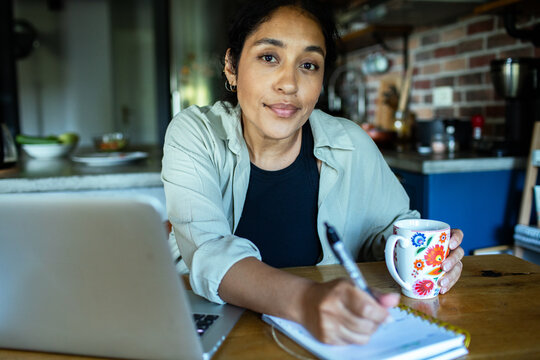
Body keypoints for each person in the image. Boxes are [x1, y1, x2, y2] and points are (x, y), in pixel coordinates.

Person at [161, 0, 464, 345]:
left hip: (332, 342)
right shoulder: (195, 134)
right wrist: (306, 301)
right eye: (269, 57)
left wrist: (429, 260)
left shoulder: (351, 144)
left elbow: (389, 231)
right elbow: (209, 252)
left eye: (308, 64)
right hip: (212, 333)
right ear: (232, 66)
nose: (289, 84)